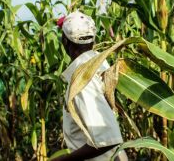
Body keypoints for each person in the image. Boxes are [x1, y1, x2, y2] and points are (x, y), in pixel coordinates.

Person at [53, 11, 128, 161]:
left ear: (65, 42)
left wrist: (63, 160)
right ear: (92, 41)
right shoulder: (99, 65)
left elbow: (106, 139)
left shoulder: (83, 80)